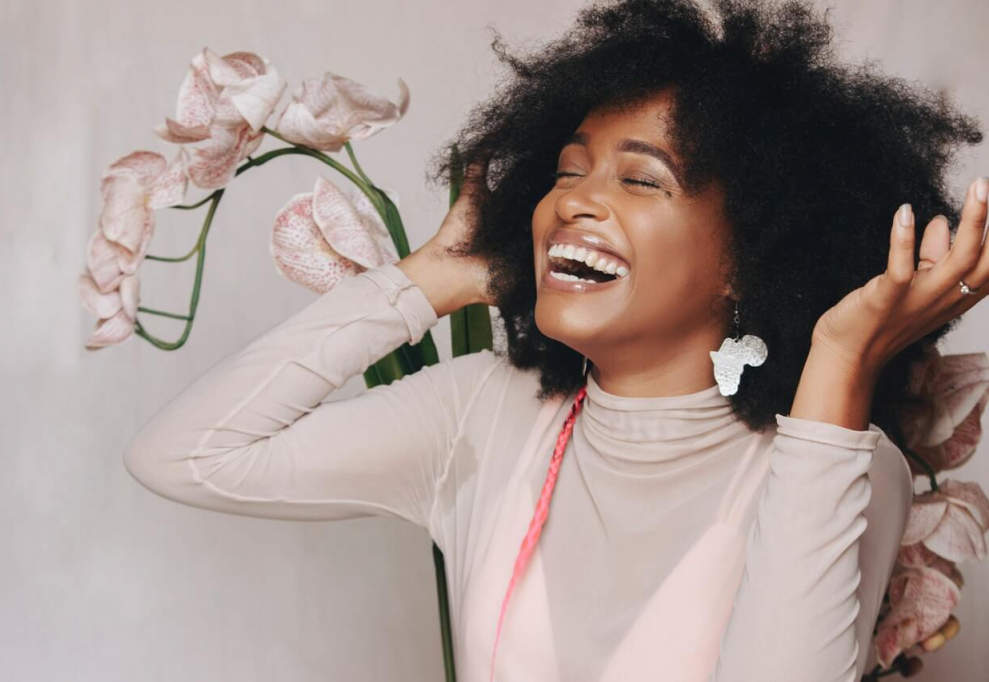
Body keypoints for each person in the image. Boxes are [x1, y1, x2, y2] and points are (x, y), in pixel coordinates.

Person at [122, 0, 988, 680]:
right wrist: (433, 281)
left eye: (641, 179)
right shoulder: (483, 413)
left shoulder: (836, 460)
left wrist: (839, 365)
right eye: (568, 170)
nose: (575, 199)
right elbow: (185, 456)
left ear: (753, 253)